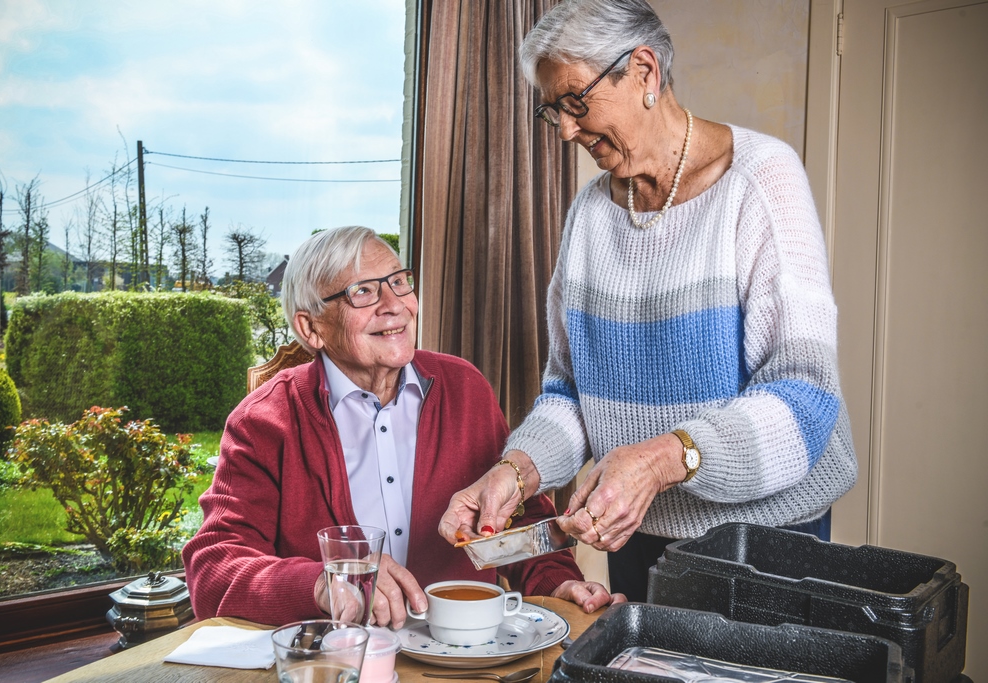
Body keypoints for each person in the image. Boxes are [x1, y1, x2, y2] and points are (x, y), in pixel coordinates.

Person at [439, 0, 857, 602]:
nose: (566, 131)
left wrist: (662, 461)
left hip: (765, 536)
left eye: (576, 102)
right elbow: (571, 395)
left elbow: (805, 396)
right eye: (553, 111)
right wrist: (517, 471)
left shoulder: (761, 181)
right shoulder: (589, 215)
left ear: (644, 71)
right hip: (636, 529)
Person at [183, 225, 618, 628]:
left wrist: (558, 584)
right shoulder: (264, 421)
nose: (394, 305)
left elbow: (520, 520)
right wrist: (325, 583)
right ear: (311, 328)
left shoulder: (465, 388)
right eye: (362, 292)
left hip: (462, 657)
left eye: (398, 282)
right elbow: (213, 571)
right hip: (339, 661)